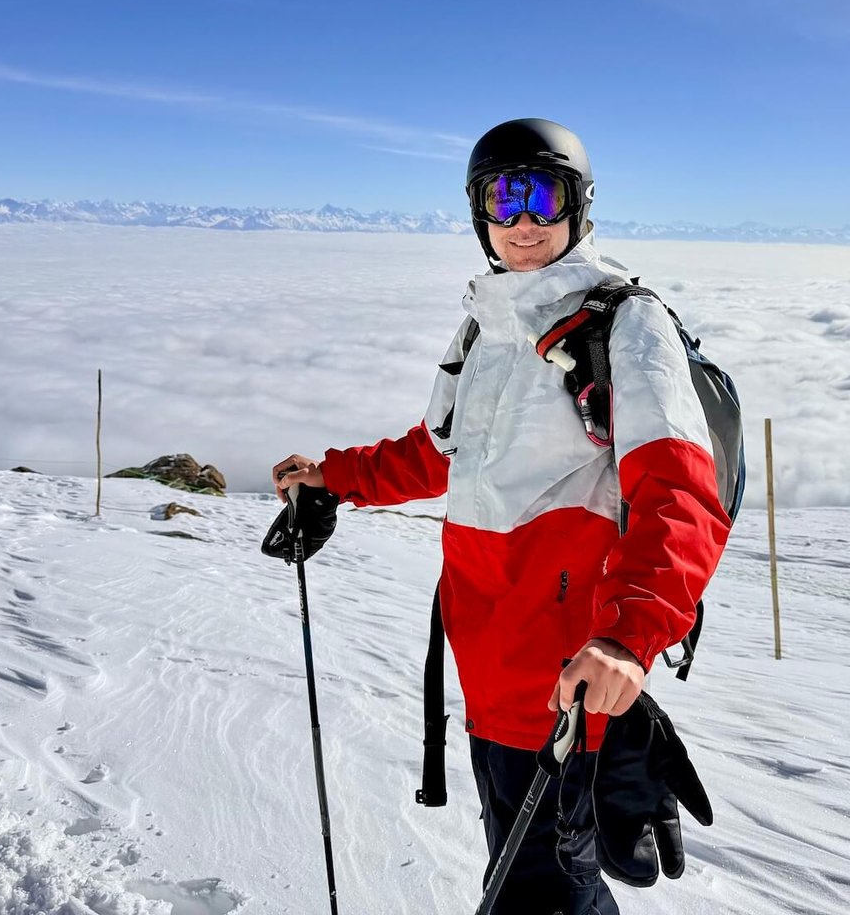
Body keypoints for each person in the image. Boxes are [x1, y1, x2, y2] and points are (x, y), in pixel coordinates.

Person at [272, 118, 732, 914]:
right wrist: (337, 477)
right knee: (545, 886)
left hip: (565, 683)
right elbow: (442, 451)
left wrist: (630, 637)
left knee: (540, 895)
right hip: (489, 668)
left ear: (578, 207)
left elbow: (678, 492)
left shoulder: (623, 323)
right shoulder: (484, 327)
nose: (523, 221)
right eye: (502, 198)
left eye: (542, 196)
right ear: (479, 213)